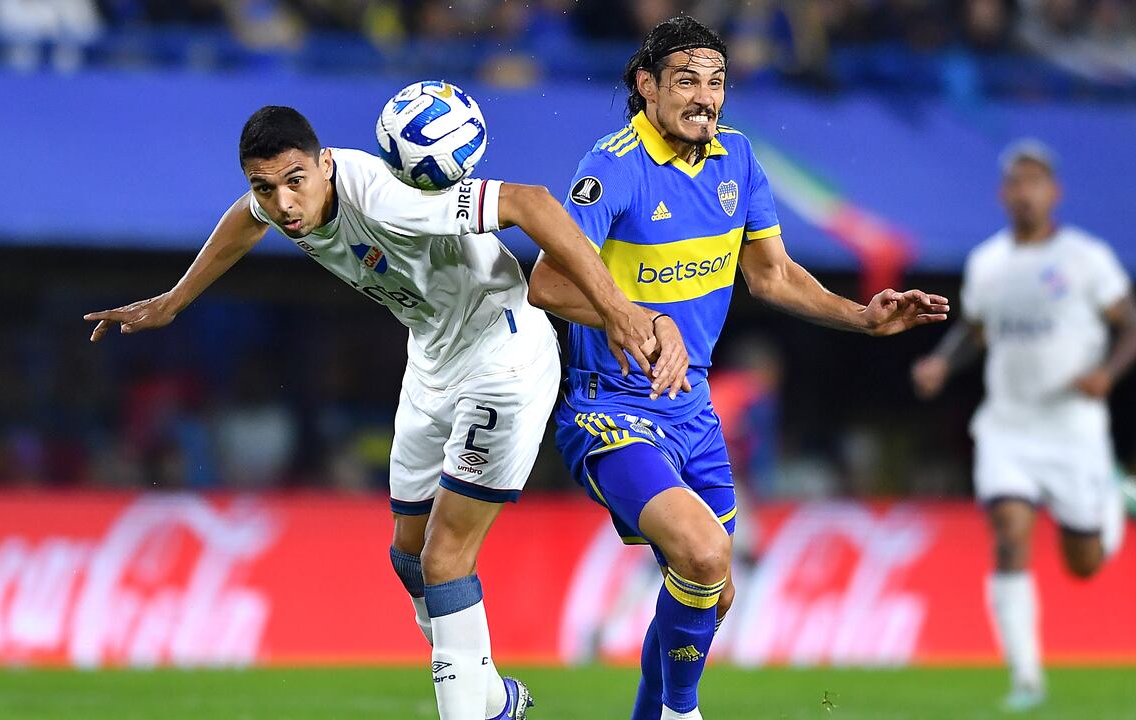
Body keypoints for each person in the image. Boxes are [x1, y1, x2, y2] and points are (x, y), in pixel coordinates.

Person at [84, 104, 689, 720]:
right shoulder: (275, 204)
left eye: (295, 180)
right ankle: (497, 701)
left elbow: (531, 202)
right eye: (266, 187)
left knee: (445, 557)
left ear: (326, 164)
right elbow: (244, 222)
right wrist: (172, 303)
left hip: (501, 354)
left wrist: (618, 310)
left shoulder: (387, 198)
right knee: (409, 557)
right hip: (432, 356)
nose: (285, 203)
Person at [526, 16, 949, 720]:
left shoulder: (738, 160)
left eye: (716, 81)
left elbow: (773, 276)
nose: (705, 97)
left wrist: (862, 317)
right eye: (686, 80)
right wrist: (641, 318)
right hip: (612, 408)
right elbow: (548, 283)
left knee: (712, 590)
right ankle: (684, 713)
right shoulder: (613, 166)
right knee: (700, 555)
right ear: (646, 85)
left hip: (691, 411)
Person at [911, 138, 1136, 712]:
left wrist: (1107, 374)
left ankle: (1115, 495)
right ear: (1003, 194)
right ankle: (1026, 679)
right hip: (1007, 426)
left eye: (1036, 182)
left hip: (1072, 428)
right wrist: (942, 362)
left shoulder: (1085, 258)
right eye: (1016, 182)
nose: (1025, 192)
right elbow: (975, 329)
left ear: (1054, 192)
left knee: (1084, 564)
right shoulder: (988, 263)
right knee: (1010, 530)